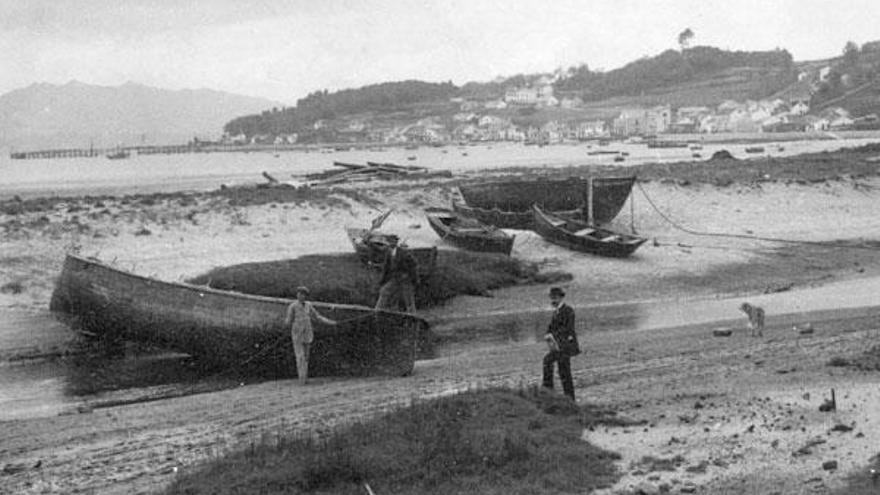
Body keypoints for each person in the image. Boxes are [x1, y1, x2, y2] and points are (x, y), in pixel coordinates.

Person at [284, 286, 336, 384]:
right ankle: (302, 379)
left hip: (308, 333)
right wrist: (288, 323)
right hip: (297, 334)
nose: (300, 296)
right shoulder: (293, 306)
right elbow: (288, 320)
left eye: (303, 294)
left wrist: (330, 322)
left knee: (306, 356)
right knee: (300, 356)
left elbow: (317, 316)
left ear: (305, 296)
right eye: (299, 294)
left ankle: (305, 378)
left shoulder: (308, 305)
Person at [542, 287, 580, 401]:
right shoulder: (557, 311)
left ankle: (548, 391)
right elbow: (551, 327)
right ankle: (565, 397)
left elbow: (568, 328)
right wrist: (547, 334)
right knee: (561, 369)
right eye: (552, 298)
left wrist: (553, 336)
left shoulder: (568, 310)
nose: (553, 300)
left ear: (561, 297)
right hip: (558, 345)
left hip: (566, 346)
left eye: (555, 297)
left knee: (556, 367)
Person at [375, 236, 419, 313]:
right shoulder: (389, 252)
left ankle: (413, 316)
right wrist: (382, 281)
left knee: (408, 299)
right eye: (389, 241)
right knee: (384, 292)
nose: (391, 243)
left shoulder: (403, 252)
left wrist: (412, 278)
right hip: (394, 279)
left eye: (393, 241)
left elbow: (414, 264)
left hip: (405, 279)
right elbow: (386, 268)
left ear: (396, 243)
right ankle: (377, 311)